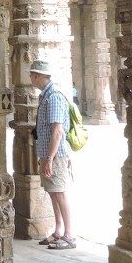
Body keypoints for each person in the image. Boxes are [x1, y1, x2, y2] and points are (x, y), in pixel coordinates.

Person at [29, 60, 74, 250]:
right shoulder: (45, 96)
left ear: (37, 76)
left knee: (60, 192)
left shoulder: (54, 97)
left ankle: (69, 235)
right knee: (53, 192)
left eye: (31, 75)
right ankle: (58, 231)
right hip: (48, 154)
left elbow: (57, 131)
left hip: (56, 155)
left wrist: (49, 158)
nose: (30, 79)